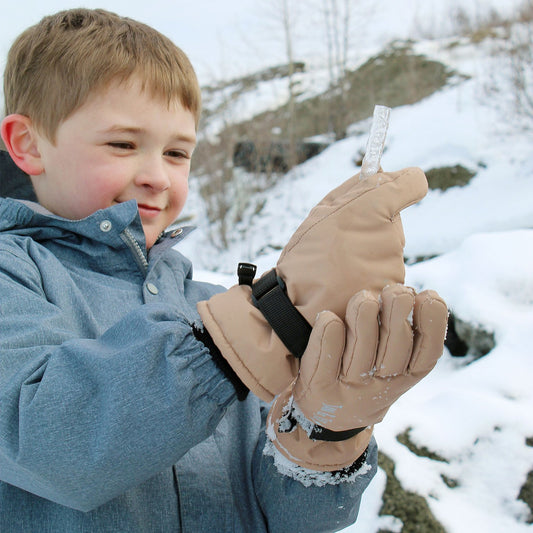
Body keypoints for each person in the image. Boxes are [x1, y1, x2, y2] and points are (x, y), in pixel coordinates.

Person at [0, 8, 448, 533]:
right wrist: (246, 332)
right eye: (122, 144)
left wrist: (324, 433)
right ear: (28, 145)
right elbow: (49, 442)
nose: (157, 177)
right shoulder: (16, 278)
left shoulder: (207, 304)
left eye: (176, 152)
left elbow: (288, 519)